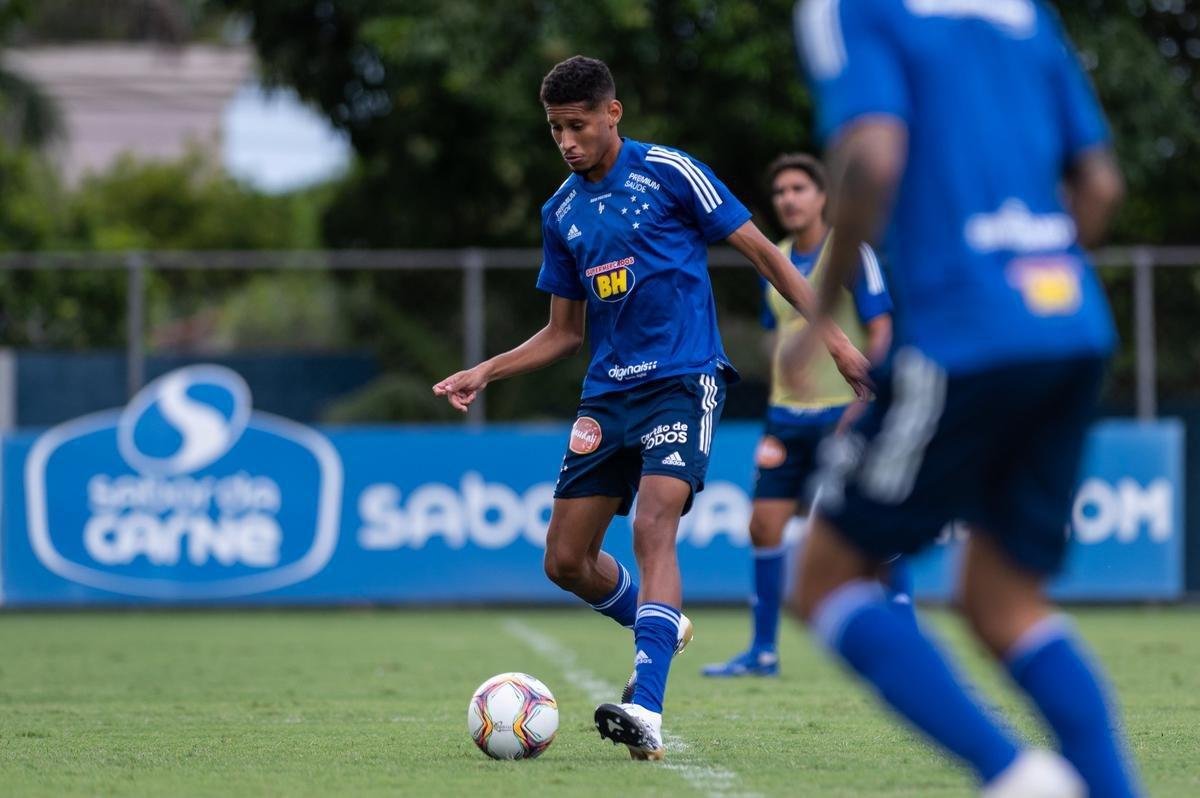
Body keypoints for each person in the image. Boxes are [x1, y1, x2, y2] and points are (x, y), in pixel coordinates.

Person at [433, 55, 870, 761]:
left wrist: (840, 347)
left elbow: (764, 254)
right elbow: (563, 333)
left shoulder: (669, 172)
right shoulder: (561, 213)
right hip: (607, 396)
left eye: (577, 125)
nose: (567, 141)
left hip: (683, 378)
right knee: (566, 561)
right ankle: (659, 621)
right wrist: (485, 370)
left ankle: (647, 706)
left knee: (655, 524)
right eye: (554, 130)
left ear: (613, 113)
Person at [789, 1, 1141, 795]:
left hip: (962, 335)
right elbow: (1100, 184)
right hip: (1071, 325)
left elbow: (872, 158)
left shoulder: (851, 8)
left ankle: (1012, 775)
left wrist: (824, 307)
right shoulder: (1022, 11)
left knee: (826, 580)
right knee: (1003, 602)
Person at [701, 153, 909, 679]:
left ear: (822, 197)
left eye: (798, 188)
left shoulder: (850, 253)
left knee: (870, 527)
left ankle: (906, 635)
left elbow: (880, 330)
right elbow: (782, 337)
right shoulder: (778, 259)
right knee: (763, 526)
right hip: (785, 419)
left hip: (844, 413)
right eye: (780, 192)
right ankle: (763, 652)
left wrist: (868, 401)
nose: (788, 199)